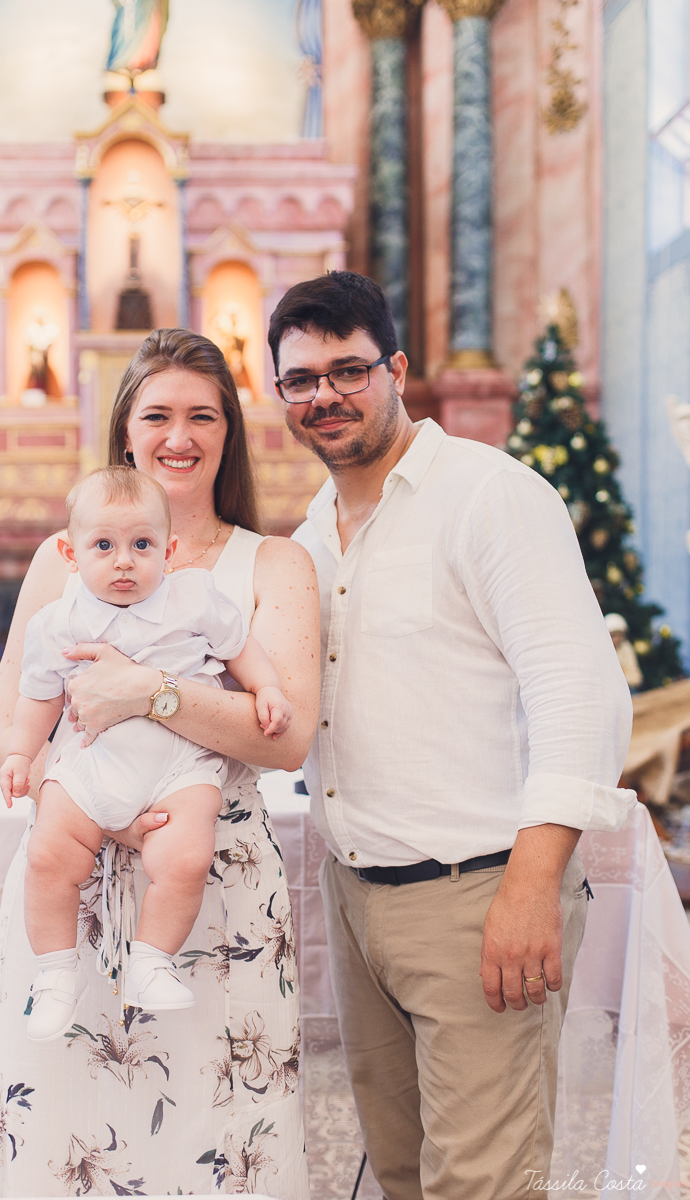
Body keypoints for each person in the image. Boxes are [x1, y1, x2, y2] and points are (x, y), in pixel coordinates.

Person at [269, 271, 636, 1200]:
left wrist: (531, 884)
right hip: (358, 898)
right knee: (401, 1174)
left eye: (347, 370)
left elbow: (581, 693)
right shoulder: (311, 536)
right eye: (300, 380)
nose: (325, 397)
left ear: (396, 368)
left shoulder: (490, 496)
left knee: (482, 1184)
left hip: (478, 896)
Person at [0, 329, 318, 1198]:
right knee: (66, 1140)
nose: (180, 435)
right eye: (157, 414)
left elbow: (286, 737)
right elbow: (2, 731)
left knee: (216, 1136)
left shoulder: (271, 564)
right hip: (78, 869)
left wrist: (147, 691)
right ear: (124, 430)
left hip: (214, 880)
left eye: (204, 415)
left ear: (229, 433)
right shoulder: (63, 567)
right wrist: (92, 805)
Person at [0, 466, 292, 1035]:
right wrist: (18, 754)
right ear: (71, 551)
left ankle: (152, 959)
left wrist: (270, 688)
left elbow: (240, 648)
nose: (124, 560)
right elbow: (36, 697)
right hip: (91, 765)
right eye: (103, 546)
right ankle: (56, 972)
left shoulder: (194, 598)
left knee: (184, 859)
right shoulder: (57, 622)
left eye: (142, 545)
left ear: (170, 549)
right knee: (49, 856)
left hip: (180, 766)